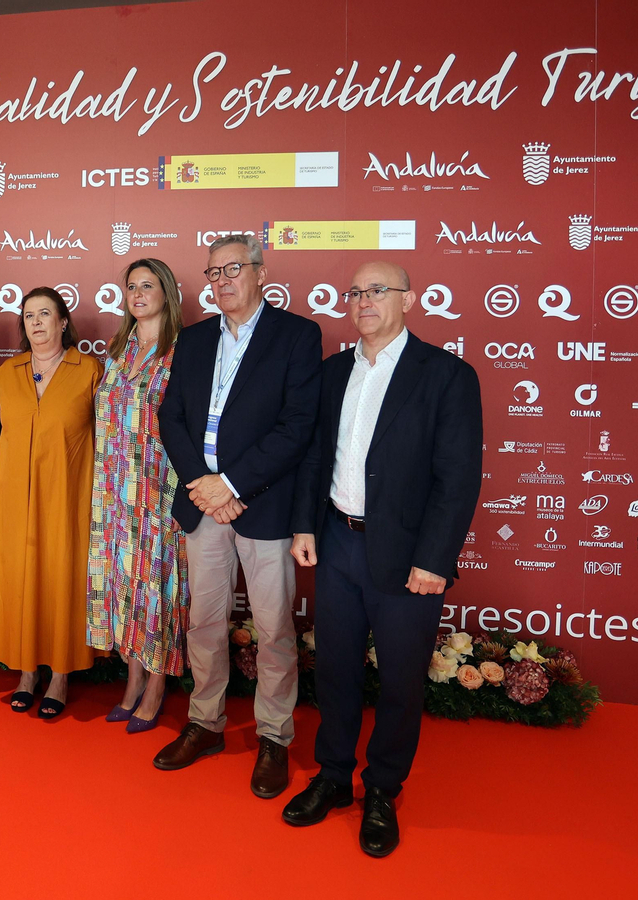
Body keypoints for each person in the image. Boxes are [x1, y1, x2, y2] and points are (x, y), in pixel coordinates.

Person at [282, 261, 482, 858]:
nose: (363, 301)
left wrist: (434, 559)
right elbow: (314, 459)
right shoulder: (333, 370)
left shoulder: (446, 375)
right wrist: (303, 526)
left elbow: (457, 479)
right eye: (356, 293)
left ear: (409, 300)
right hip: (337, 541)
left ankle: (382, 789)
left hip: (407, 555)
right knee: (336, 668)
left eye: (378, 291)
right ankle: (334, 776)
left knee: (399, 680)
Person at [153, 234, 321, 800]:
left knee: (273, 629)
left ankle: (274, 735)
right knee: (204, 622)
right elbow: (171, 416)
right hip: (203, 505)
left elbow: (297, 426)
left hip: (263, 505)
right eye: (212, 272)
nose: (221, 281)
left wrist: (231, 484)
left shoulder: (297, 335)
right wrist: (205, 487)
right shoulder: (196, 338)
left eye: (232, 269)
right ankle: (206, 722)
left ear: (259, 271)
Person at [0, 287, 103, 719]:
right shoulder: (5, 373)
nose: (37, 322)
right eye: (29, 315)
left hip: (67, 498)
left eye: (46, 313)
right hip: (14, 499)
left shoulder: (90, 371)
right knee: (22, 579)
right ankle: (27, 673)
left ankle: (62, 674)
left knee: (60, 579)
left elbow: (105, 442)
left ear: (63, 321)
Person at [86, 259, 189, 734]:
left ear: (166, 292)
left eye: (147, 285)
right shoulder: (117, 348)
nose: (137, 293)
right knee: (123, 586)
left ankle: (156, 685)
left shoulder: (182, 350)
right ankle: (131, 679)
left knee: (156, 587)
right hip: (112, 491)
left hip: (160, 488)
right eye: (131, 286)